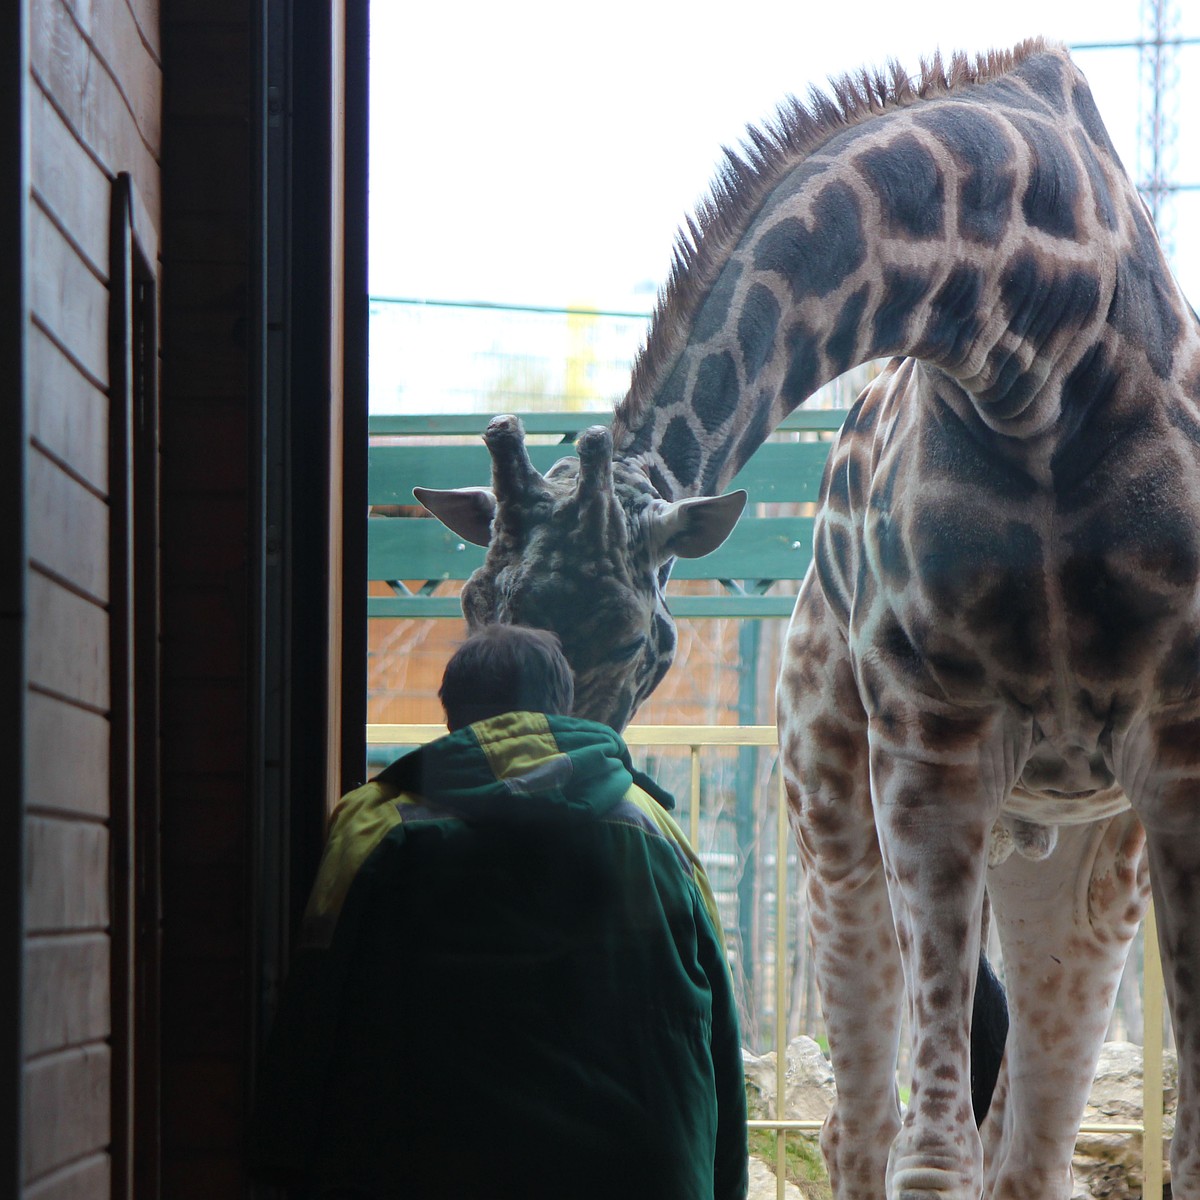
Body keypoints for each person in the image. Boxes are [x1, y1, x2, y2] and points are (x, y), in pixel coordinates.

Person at [248, 624, 749, 1200]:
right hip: (641, 1169)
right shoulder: (655, 829)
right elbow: (714, 1022)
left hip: (427, 1165)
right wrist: (723, 1181)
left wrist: (277, 1161)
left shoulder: (375, 825)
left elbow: (315, 997)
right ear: (560, 707)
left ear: (452, 715)